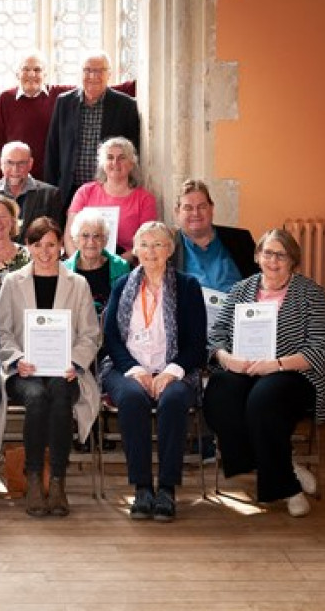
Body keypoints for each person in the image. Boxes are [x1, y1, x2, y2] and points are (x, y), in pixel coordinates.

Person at [204, 229, 325, 517]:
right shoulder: (241, 290)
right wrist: (228, 359)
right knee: (219, 392)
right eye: (267, 253)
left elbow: (322, 344)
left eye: (281, 254)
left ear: (293, 260)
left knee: (264, 400)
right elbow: (216, 335)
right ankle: (283, 465)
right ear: (257, 256)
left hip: (293, 373)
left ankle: (286, 488)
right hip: (245, 369)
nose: (273, 260)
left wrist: (275, 364)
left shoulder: (310, 293)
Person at [0, 217, 101, 517]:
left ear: (61, 247)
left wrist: (75, 363)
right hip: (23, 370)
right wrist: (16, 359)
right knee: (38, 398)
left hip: (65, 369)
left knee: (59, 393)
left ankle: (56, 481)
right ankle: (32, 478)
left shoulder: (77, 284)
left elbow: (90, 334)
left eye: (51, 245)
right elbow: (1, 330)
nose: (45, 251)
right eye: (37, 244)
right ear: (27, 247)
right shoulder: (12, 283)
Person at [99, 221, 206, 522]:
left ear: (170, 250)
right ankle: (143, 487)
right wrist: (134, 369)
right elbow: (111, 339)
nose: (150, 251)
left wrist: (171, 372)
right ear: (134, 250)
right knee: (132, 400)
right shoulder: (123, 285)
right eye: (144, 244)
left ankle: (167, 489)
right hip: (127, 368)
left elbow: (197, 344)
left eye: (158, 244)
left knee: (173, 401)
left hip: (175, 368)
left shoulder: (187, 287)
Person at [0, 51, 136, 182]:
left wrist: (143, 82)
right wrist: (0, 182)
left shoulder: (58, 95)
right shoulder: (5, 99)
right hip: (15, 177)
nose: (32, 74)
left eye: (37, 70)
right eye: (26, 69)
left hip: (48, 179)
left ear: (45, 74)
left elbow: (94, 88)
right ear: (17, 73)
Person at [44, 51, 141, 206]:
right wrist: (51, 190)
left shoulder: (126, 106)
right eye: (88, 70)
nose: (93, 76)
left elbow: (134, 151)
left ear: (109, 74)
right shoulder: (64, 103)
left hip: (108, 190)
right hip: (70, 191)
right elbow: (53, 149)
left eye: (99, 71)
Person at [65, 137, 156, 261]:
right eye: (110, 157)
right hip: (84, 264)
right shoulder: (85, 192)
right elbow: (69, 237)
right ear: (102, 163)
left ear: (131, 164)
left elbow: (146, 242)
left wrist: (114, 264)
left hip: (124, 266)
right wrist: (80, 264)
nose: (115, 162)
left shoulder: (145, 199)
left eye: (122, 158)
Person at [170, 179, 258, 292]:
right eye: (188, 208)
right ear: (177, 212)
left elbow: (262, 283)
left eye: (202, 207)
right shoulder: (168, 249)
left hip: (238, 308)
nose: (195, 213)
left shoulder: (241, 240)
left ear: (211, 208)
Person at [0, 141, 64, 244]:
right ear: (1, 164)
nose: (15, 169)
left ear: (30, 164)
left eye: (21, 163)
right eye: (10, 163)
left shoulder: (50, 195)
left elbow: (55, 237)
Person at [62, 210, 131, 316]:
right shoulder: (64, 270)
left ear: (105, 240)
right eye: (85, 235)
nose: (91, 242)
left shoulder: (121, 267)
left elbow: (127, 309)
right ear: (75, 239)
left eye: (97, 236)